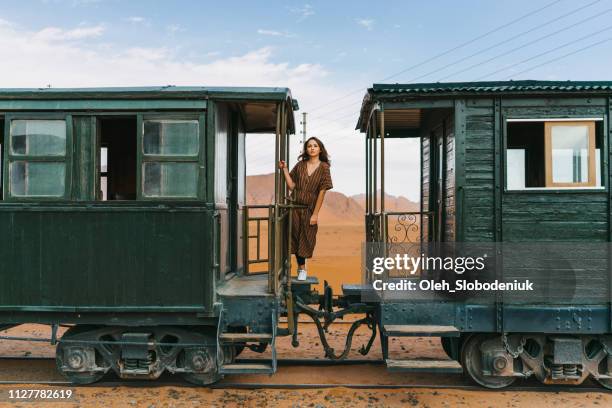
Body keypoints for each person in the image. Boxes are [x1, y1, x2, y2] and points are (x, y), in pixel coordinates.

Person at [279, 137, 333, 281]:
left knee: (306, 238)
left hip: (309, 209)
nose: (312, 148)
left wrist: (315, 214)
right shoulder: (300, 165)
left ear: (320, 149)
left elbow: (322, 191)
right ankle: (301, 268)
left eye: (315, 146)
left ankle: (302, 267)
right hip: (294, 207)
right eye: (309, 146)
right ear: (306, 149)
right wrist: (284, 169)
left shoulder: (324, 167)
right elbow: (291, 186)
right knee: (295, 238)